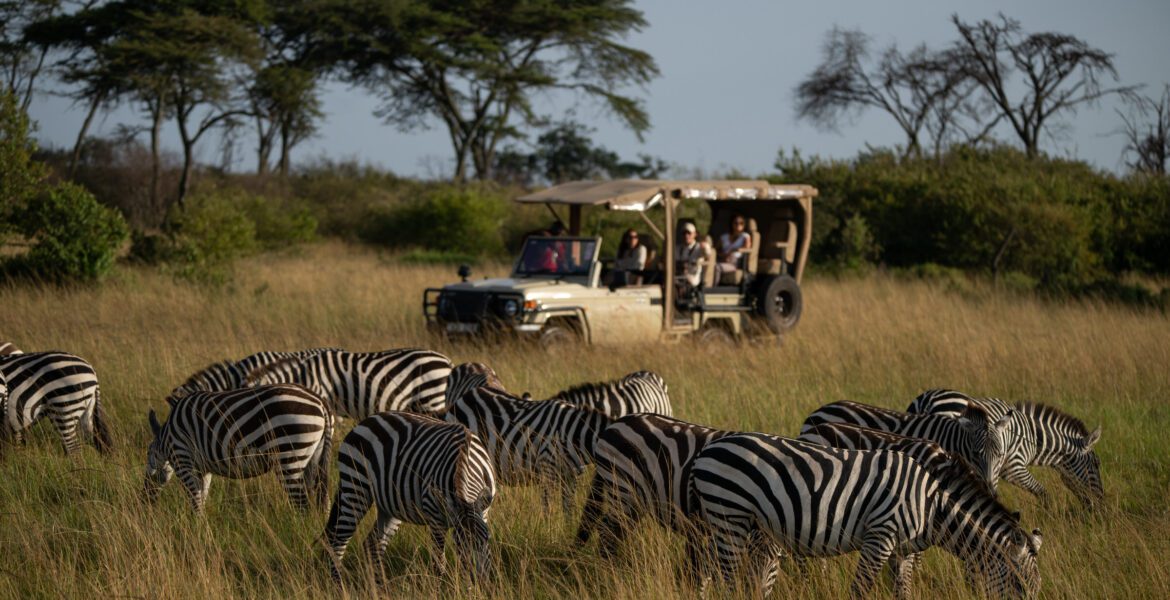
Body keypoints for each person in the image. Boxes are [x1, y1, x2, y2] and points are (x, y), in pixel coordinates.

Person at [716, 214, 751, 282]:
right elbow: (716, 250)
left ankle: (711, 289)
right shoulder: (724, 237)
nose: (738, 225)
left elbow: (747, 248)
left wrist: (733, 251)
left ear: (744, 225)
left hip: (734, 262)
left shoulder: (745, 236)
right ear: (732, 224)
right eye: (736, 223)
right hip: (722, 259)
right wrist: (722, 255)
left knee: (717, 267)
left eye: (741, 223)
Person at [675, 222, 704, 288]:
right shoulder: (677, 249)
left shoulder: (699, 248)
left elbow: (707, 254)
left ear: (695, 234)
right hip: (678, 277)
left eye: (689, 233)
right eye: (684, 233)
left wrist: (705, 246)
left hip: (692, 280)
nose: (686, 236)